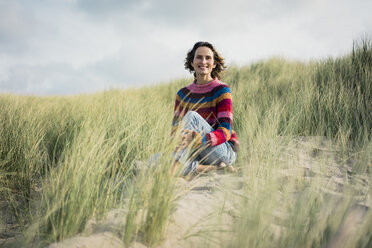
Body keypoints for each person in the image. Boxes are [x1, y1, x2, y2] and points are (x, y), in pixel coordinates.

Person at [171, 41, 240, 177]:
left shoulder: (222, 90)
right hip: (194, 151)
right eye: (199, 57)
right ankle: (214, 169)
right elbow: (175, 131)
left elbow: (226, 131)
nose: (203, 61)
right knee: (153, 160)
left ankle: (172, 171)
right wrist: (180, 142)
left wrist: (199, 140)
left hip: (221, 151)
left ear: (214, 64)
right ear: (192, 62)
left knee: (192, 117)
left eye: (208, 58)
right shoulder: (182, 94)